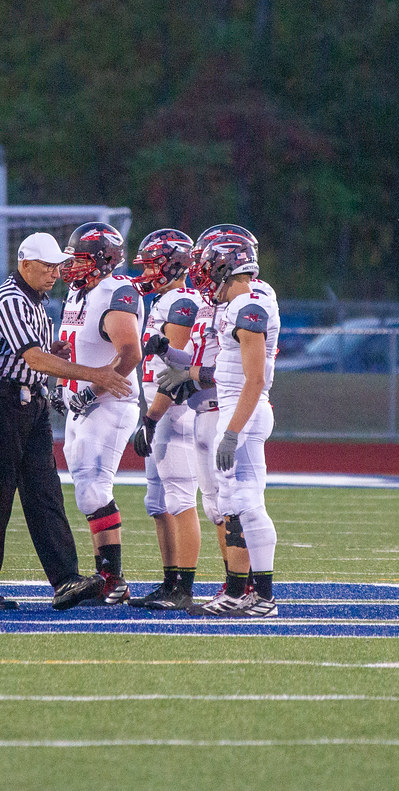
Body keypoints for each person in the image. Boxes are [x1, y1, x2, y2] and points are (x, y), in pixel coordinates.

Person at [0, 232, 132, 610]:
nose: (55, 273)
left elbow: (38, 354)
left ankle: (66, 579)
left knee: (45, 493)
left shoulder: (35, 301)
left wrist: (54, 352)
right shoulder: (10, 299)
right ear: (24, 265)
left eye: (58, 265)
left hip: (29, 401)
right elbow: (33, 359)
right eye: (47, 266)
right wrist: (96, 374)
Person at [159, 232, 281, 617]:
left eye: (208, 268)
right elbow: (225, 370)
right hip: (232, 408)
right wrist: (167, 352)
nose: (204, 277)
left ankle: (263, 597)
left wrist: (231, 432)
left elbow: (255, 379)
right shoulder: (240, 303)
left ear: (226, 266)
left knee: (248, 504)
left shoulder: (249, 306)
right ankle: (238, 592)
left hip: (241, 412)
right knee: (232, 503)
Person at [56, 221, 144, 604]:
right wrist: (63, 386)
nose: (71, 267)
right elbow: (75, 347)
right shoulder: (78, 294)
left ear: (102, 259)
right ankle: (110, 577)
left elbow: (130, 354)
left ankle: (113, 580)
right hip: (81, 404)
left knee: (94, 489)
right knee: (85, 492)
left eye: (79, 259)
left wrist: (91, 392)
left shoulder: (115, 292)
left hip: (110, 403)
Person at [127, 229, 202, 610]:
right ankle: (170, 581)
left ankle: (184, 589)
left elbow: (173, 370)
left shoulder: (183, 301)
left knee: (179, 499)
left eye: (154, 263)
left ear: (174, 264)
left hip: (175, 412)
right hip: (159, 411)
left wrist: (151, 417)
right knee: (158, 502)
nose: (148, 271)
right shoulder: (165, 300)